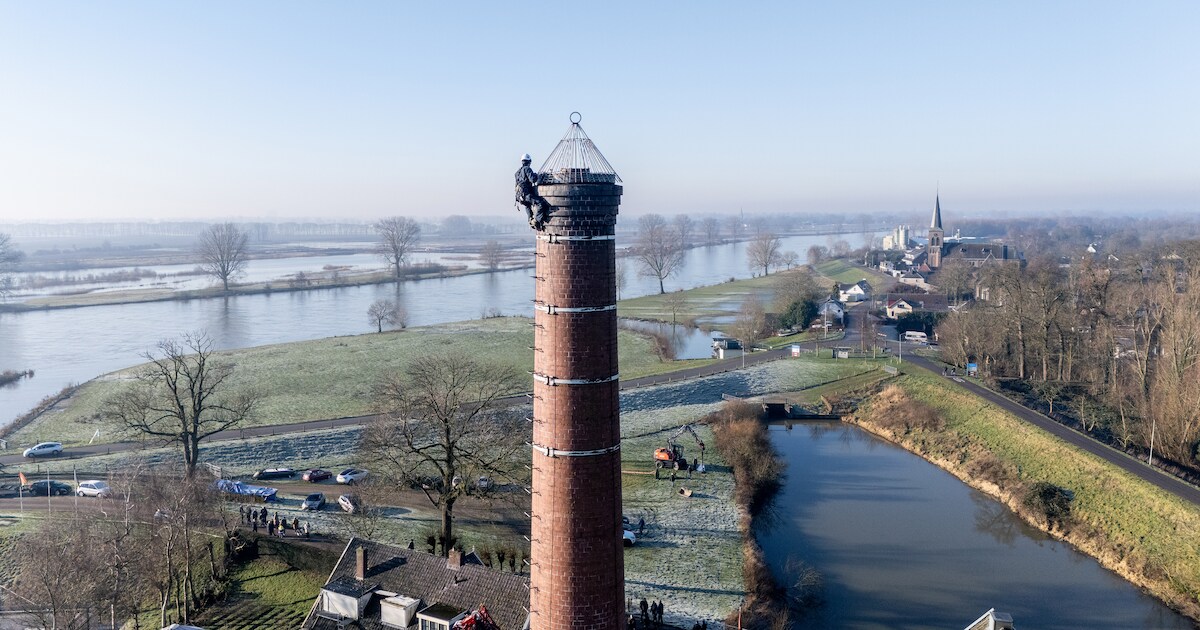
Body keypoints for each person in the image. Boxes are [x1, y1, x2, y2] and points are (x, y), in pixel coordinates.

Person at [514, 154, 548, 229]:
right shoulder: (527, 169)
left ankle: (530, 220)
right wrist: (537, 176)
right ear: (529, 162)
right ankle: (536, 221)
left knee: (527, 205)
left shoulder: (517, 172)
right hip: (525, 195)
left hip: (519, 197)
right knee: (540, 203)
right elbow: (533, 180)